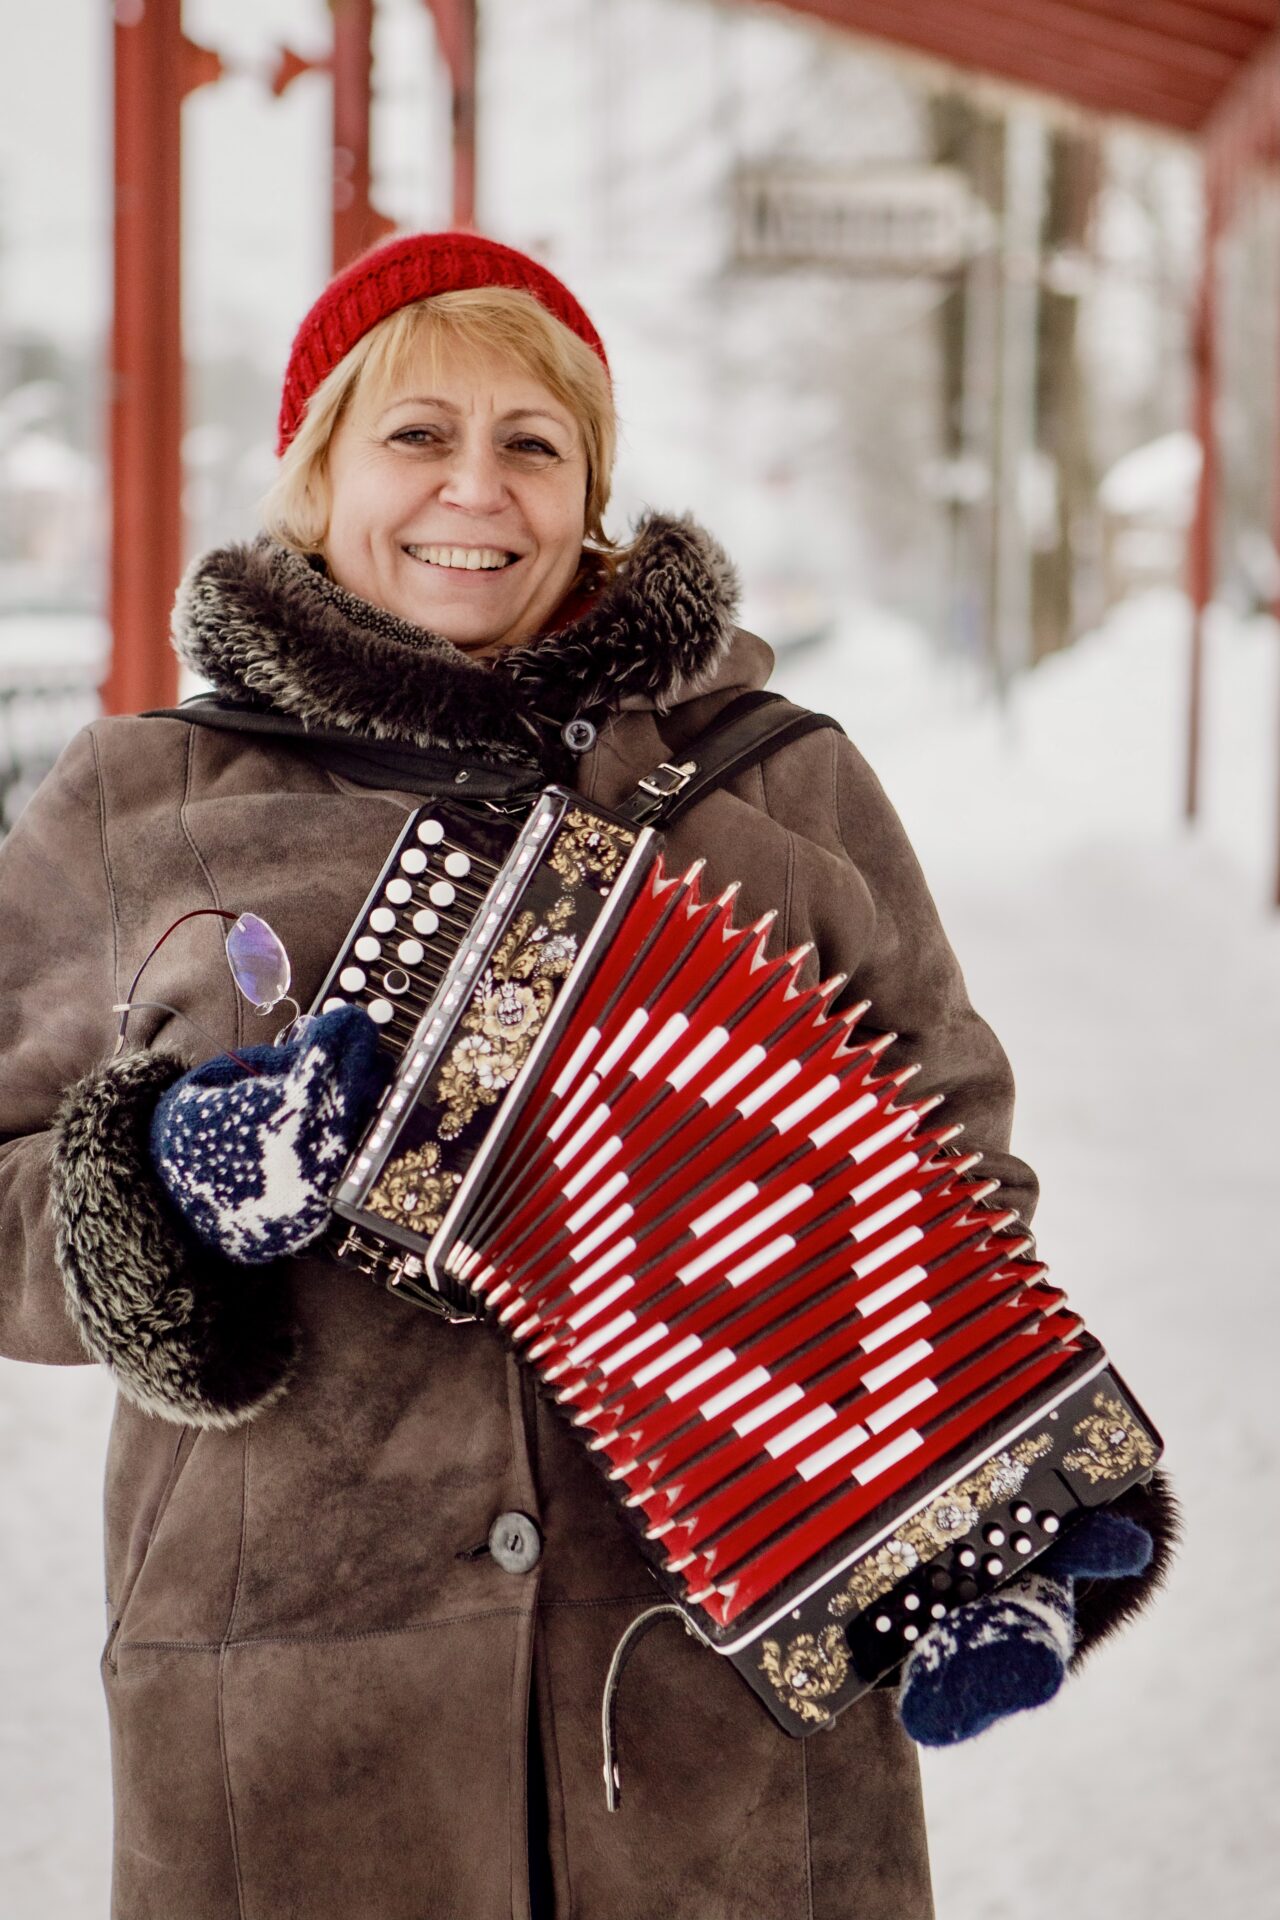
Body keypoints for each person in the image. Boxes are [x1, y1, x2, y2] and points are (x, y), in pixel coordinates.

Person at [0, 231, 1174, 1920]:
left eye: (532, 443)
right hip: (300, 1717)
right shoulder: (140, 803)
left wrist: (949, 1490)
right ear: (319, 470)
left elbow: (948, 1170)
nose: (474, 487)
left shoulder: (776, 787)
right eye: (415, 433)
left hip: (717, 1710)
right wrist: (159, 1184)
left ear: (592, 492)